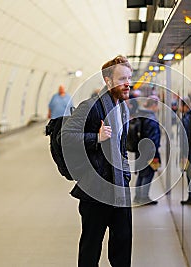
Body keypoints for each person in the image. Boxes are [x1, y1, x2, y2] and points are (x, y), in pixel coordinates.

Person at [61, 55, 132, 267]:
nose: (127, 83)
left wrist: (126, 173)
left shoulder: (123, 108)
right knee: (91, 247)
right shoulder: (90, 106)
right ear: (108, 81)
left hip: (119, 188)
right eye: (122, 79)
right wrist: (96, 138)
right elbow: (66, 136)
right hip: (96, 190)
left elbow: (121, 147)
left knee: (122, 244)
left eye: (129, 77)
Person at [133, 95, 161, 205]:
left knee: (142, 173)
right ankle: (144, 197)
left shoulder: (141, 115)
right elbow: (152, 139)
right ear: (153, 105)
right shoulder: (151, 119)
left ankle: (138, 196)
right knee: (148, 174)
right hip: (149, 151)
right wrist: (153, 155)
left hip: (140, 150)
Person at [180, 97, 191, 205]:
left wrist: (184, 154)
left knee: (189, 174)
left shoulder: (186, 119)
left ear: (185, 107)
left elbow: (186, 138)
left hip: (187, 151)